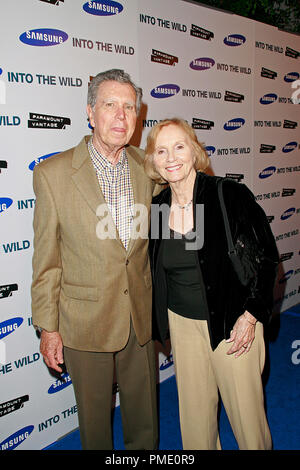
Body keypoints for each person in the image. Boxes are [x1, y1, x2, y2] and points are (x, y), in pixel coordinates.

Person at [31, 69, 158, 450]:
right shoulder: (53, 175)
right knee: (96, 429)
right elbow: (46, 261)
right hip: (83, 323)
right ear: (90, 112)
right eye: (110, 105)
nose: (121, 116)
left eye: (129, 108)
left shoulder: (150, 168)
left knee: (146, 423)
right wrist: (48, 328)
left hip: (139, 314)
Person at [144, 118, 279, 450]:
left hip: (232, 323)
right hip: (182, 324)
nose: (171, 157)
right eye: (161, 150)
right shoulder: (159, 207)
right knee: (195, 420)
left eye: (179, 146)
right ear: (153, 160)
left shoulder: (227, 195)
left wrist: (250, 317)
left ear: (194, 151)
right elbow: (160, 270)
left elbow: (268, 259)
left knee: (247, 421)